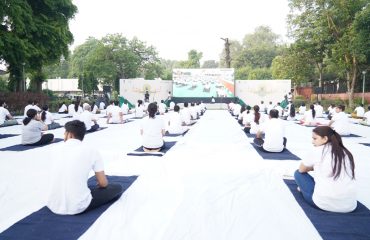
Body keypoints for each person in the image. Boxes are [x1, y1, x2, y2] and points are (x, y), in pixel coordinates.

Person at [47, 120, 123, 215]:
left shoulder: (54, 149)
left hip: (53, 203)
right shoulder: (91, 151)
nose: (64, 135)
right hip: (78, 206)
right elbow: (103, 184)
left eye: (64, 133)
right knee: (117, 187)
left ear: (70, 134)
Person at [294, 126, 356, 213]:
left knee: (298, 174)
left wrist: (313, 167)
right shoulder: (346, 152)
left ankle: (303, 189)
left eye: (315, 138)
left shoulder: (317, 150)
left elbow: (301, 170)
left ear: (325, 139)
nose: (312, 141)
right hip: (349, 205)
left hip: (323, 204)